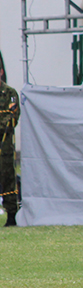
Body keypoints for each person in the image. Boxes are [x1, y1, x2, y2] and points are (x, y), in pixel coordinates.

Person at [0, 60, 19, 227]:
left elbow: (12, 119)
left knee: (7, 179)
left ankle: (11, 214)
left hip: (4, 146)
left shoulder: (10, 93)